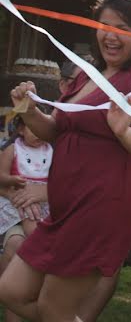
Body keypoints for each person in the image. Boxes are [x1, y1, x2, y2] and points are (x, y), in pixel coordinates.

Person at [0, 0, 131, 321]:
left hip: (103, 208)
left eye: (121, 27)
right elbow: (58, 132)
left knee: (53, 308)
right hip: (66, 208)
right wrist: (29, 110)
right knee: (11, 291)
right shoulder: (86, 76)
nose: (110, 34)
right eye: (104, 25)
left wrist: (123, 131)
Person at [0, 116, 52, 322]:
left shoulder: (51, 151)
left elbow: (57, 181)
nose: (39, 133)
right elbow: (1, 176)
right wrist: (11, 180)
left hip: (43, 204)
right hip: (16, 202)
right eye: (33, 128)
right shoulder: (13, 150)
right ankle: (40, 253)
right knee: (31, 234)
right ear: (20, 129)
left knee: (35, 226)